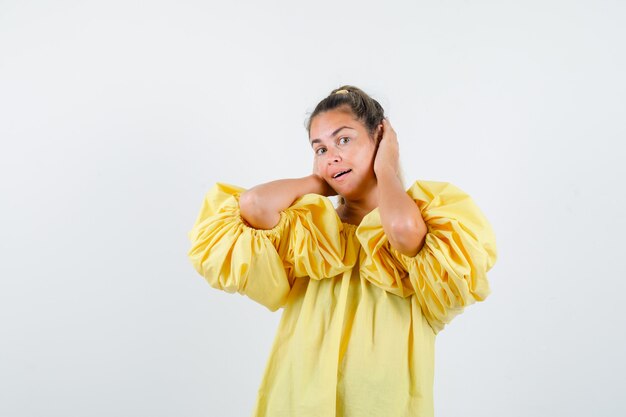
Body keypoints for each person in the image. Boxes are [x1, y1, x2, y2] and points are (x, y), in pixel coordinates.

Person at [187, 85, 498, 417]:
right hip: (299, 396)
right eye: (320, 148)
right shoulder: (312, 231)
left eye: (344, 140)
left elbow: (404, 232)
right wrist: (318, 181)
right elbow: (253, 204)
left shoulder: (425, 223)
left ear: (380, 141)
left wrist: (386, 171)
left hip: (381, 402)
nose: (331, 155)